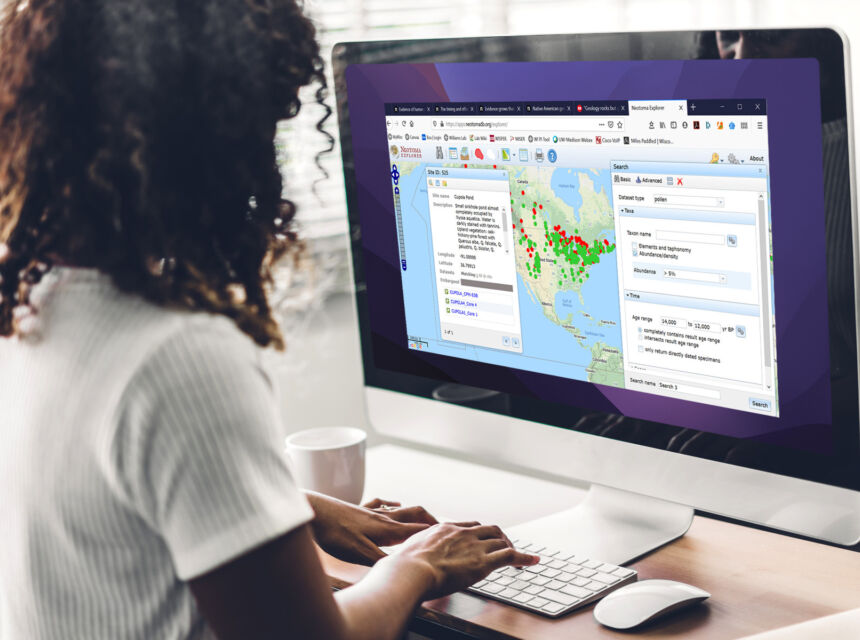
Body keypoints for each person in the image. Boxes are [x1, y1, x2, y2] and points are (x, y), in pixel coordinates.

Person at [0, 1, 538, 638]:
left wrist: (292, 510)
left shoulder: (35, 298)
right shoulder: (178, 355)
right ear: (212, 140)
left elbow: (110, 505)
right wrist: (418, 565)